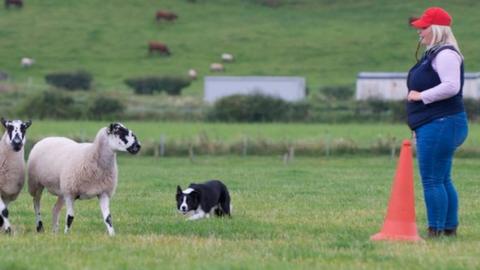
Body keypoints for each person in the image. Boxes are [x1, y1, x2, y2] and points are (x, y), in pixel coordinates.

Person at [407, 7, 468, 238]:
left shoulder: (445, 54)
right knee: (442, 178)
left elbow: (451, 86)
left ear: (436, 29)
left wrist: (420, 96)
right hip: (439, 123)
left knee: (432, 180)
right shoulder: (435, 54)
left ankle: (436, 229)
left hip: (441, 122)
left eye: (423, 28)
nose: (419, 32)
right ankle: (448, 228)